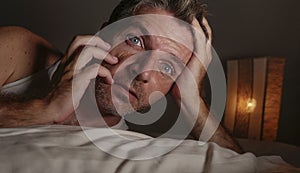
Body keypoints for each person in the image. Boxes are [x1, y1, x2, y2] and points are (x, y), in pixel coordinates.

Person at [0, 0, 242, 153]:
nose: (144, 72)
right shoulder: (19, 49)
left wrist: (192, 100)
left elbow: (243, 167)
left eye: (168, 68)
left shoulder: (131, 149)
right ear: (104, 34)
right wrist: (45, 108)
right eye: (135, 41)